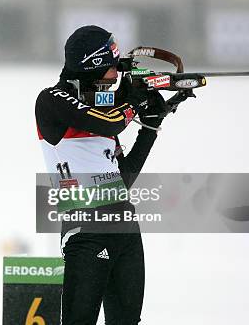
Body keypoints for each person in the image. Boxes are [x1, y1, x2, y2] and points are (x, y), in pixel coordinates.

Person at [35, 25, 167, 325]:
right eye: (112, 66)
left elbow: (124, 178)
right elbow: (111, 122)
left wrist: (151, 125)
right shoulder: (52, 100)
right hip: (86, 230)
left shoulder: (105, 106)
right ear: (91, 64)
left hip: (125, 227)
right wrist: (133, 100)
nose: (117, 74)